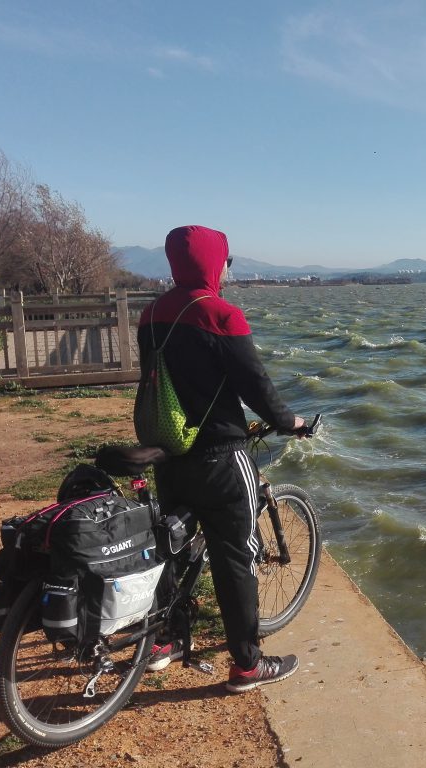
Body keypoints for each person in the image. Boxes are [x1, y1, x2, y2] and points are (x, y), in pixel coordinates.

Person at [136, 224, 307, 693]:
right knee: (237, 556)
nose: (228, 269)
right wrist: (290, 421)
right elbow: (256, 385)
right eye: (226, 260)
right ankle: (248, 666)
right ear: (214, 263)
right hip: (219, 456)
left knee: (172, 544)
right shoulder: (221, 314)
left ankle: (163, 641)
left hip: (169, 451)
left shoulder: (150, 314)